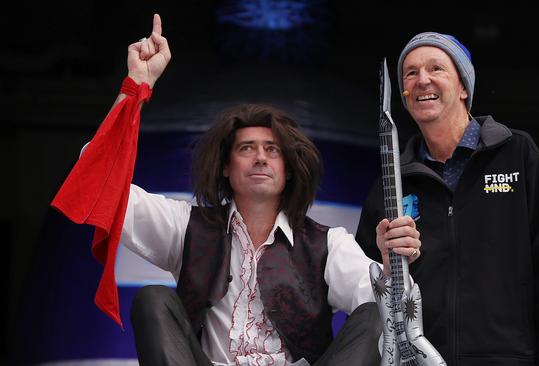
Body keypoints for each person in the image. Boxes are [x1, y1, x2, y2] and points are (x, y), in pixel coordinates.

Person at [51, 14, 424, 366]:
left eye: (272, 150)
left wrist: (394, 262)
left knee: (379, 314)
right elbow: (97, 178)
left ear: (288, 170)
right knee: (153, 299)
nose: (260, 158)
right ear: (226, 167)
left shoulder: (329, 244)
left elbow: (395, 312)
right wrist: (136, 86)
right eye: (247, 148)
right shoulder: (186, 227)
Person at [355, 32, 539, 365]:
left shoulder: (515, 153)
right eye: (410, 73)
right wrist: (384, 265)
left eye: (436, 68)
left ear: (464, 88)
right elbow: (363, 292)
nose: (421, 80)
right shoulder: (393, 178)